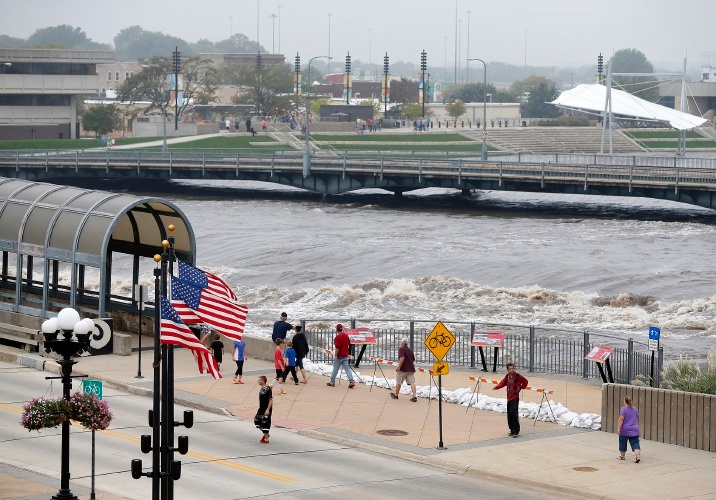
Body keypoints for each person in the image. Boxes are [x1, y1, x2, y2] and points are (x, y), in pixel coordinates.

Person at [493, 362, 528, 437]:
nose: (511, 370)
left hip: (515, 397)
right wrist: (497, 387)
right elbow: (503, 382)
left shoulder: (518, 376)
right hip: (509, 397)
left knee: (514, 413)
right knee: (509, 414)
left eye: (512, 368)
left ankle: (516, 430)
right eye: (510, 369)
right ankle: (512, 429)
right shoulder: (507, 376)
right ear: (507, 370)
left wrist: (520, 387)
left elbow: (525, 381)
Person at [327, 324, 355, 388]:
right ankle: (352, 381)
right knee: (347, 369)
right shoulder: (346, 336)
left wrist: (335, 355)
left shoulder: (337, 338)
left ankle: (332, 382)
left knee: (335, 370)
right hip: (345, 355)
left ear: (336, 329)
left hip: (339, 356)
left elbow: (337, 348)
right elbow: (348, 343)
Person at [390, 337, 417, 402]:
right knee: (412, 382)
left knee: (399, 382)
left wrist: (399, 367)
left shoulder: (401, 349)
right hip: (411, 369)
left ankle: (396, 395)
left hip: (403, 369)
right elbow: (413, 359)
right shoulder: (410, 350)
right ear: (407, 343)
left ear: (402, 343)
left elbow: (402, 358)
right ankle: (414, 396)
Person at [617, 395, 641, 463]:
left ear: (624, 401)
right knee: (635, 443)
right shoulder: (634, 408)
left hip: (625, 429)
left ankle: (622, 456)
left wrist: (618, 428)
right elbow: (636, 416)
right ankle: (637, 456)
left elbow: (621, 419)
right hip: (635, 429)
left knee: (622, 442)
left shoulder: (623, 409)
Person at [256, 375, 273, 444]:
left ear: (263, 381)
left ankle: (266, 439)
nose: (258, 381)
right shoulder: (262, 388)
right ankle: (266, 435)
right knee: (257, 421)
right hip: (261, 408)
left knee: (265, 422)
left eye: (259, 380)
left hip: (266, 409)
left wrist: (268, 409)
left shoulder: (268, 389)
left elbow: (271, 400)